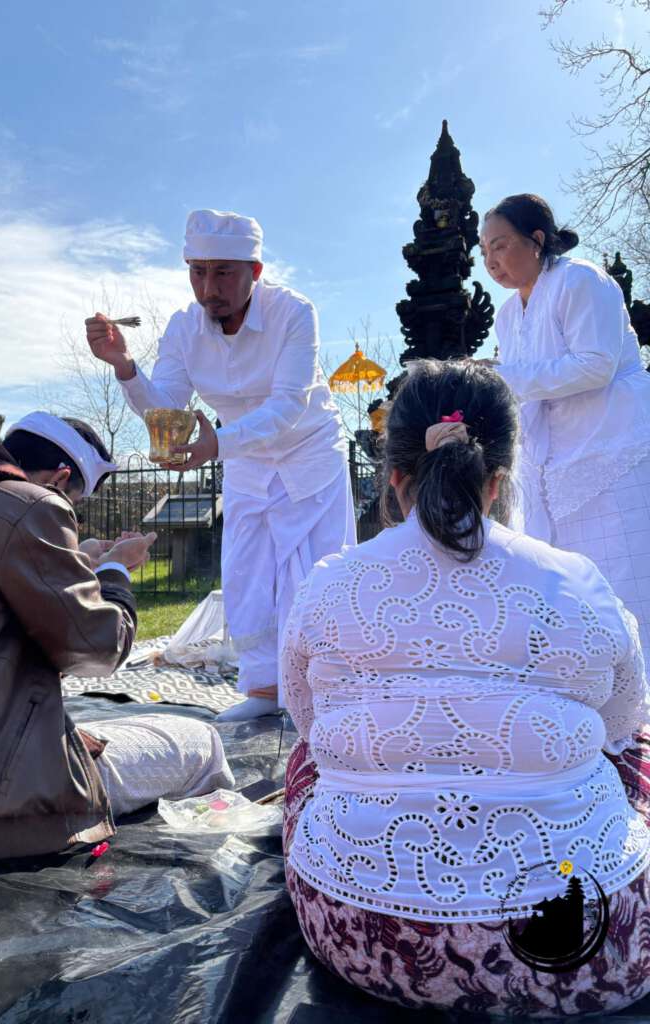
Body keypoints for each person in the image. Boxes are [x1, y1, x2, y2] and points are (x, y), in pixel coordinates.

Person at [281, 359, 650, 1017]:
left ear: (394, 478)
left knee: (308, 758)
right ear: (499, 480)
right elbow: (624, 722)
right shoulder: (576, 580)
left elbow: (305, 722)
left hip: (363, 932)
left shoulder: (329, 582)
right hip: (590, 947)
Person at [0, 411, 233, 869]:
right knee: (202, 742)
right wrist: (116, 571)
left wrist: (76, 565)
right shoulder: (30, 505)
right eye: (76, 503)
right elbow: (98, 649)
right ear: (61, 478)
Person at [85, 209, 356, 721]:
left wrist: (219, 444)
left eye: (223, 273)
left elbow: (289, 403)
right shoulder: (183, 328)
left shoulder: (294, 312)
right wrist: (125, 366)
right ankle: (265, 691)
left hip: (308, 453)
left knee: (315, 574)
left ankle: (327, 694)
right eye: (198, 272)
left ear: (255, 271)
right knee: (247, 574)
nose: (209, 289)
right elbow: (166, 406)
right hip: (244, 459)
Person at [480, 193, 650, 653]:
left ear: (536, 240)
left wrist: (504, 377)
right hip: (550, 464)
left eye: (500, 245)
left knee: (623, 580)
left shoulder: (581, 279)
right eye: (484, 251)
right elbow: (520, 384)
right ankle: (578, 680)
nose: (490, 261)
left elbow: (596, 364)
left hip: (611, 448)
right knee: (562, 588)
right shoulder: (507, 314)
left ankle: (638, 688)